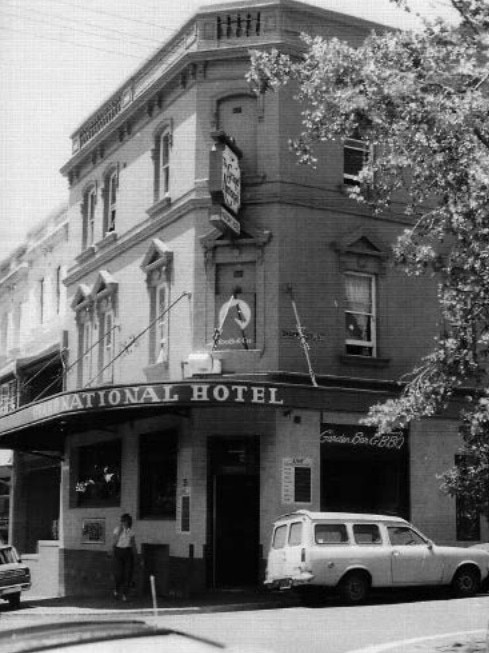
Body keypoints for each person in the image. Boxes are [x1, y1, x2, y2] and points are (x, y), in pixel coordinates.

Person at [112, 513, 136, 601]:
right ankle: (116, 590)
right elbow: (114, 541)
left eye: (126, 521)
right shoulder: (117, 530)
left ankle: (125, 594)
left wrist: (136, 554)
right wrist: (120, 532)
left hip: (128, 552)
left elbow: (133, 544)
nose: (124, 523)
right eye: (122, 521)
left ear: (129, 522)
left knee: (128, 573)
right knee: (119, 573)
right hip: (118, 551)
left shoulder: (131, 531)